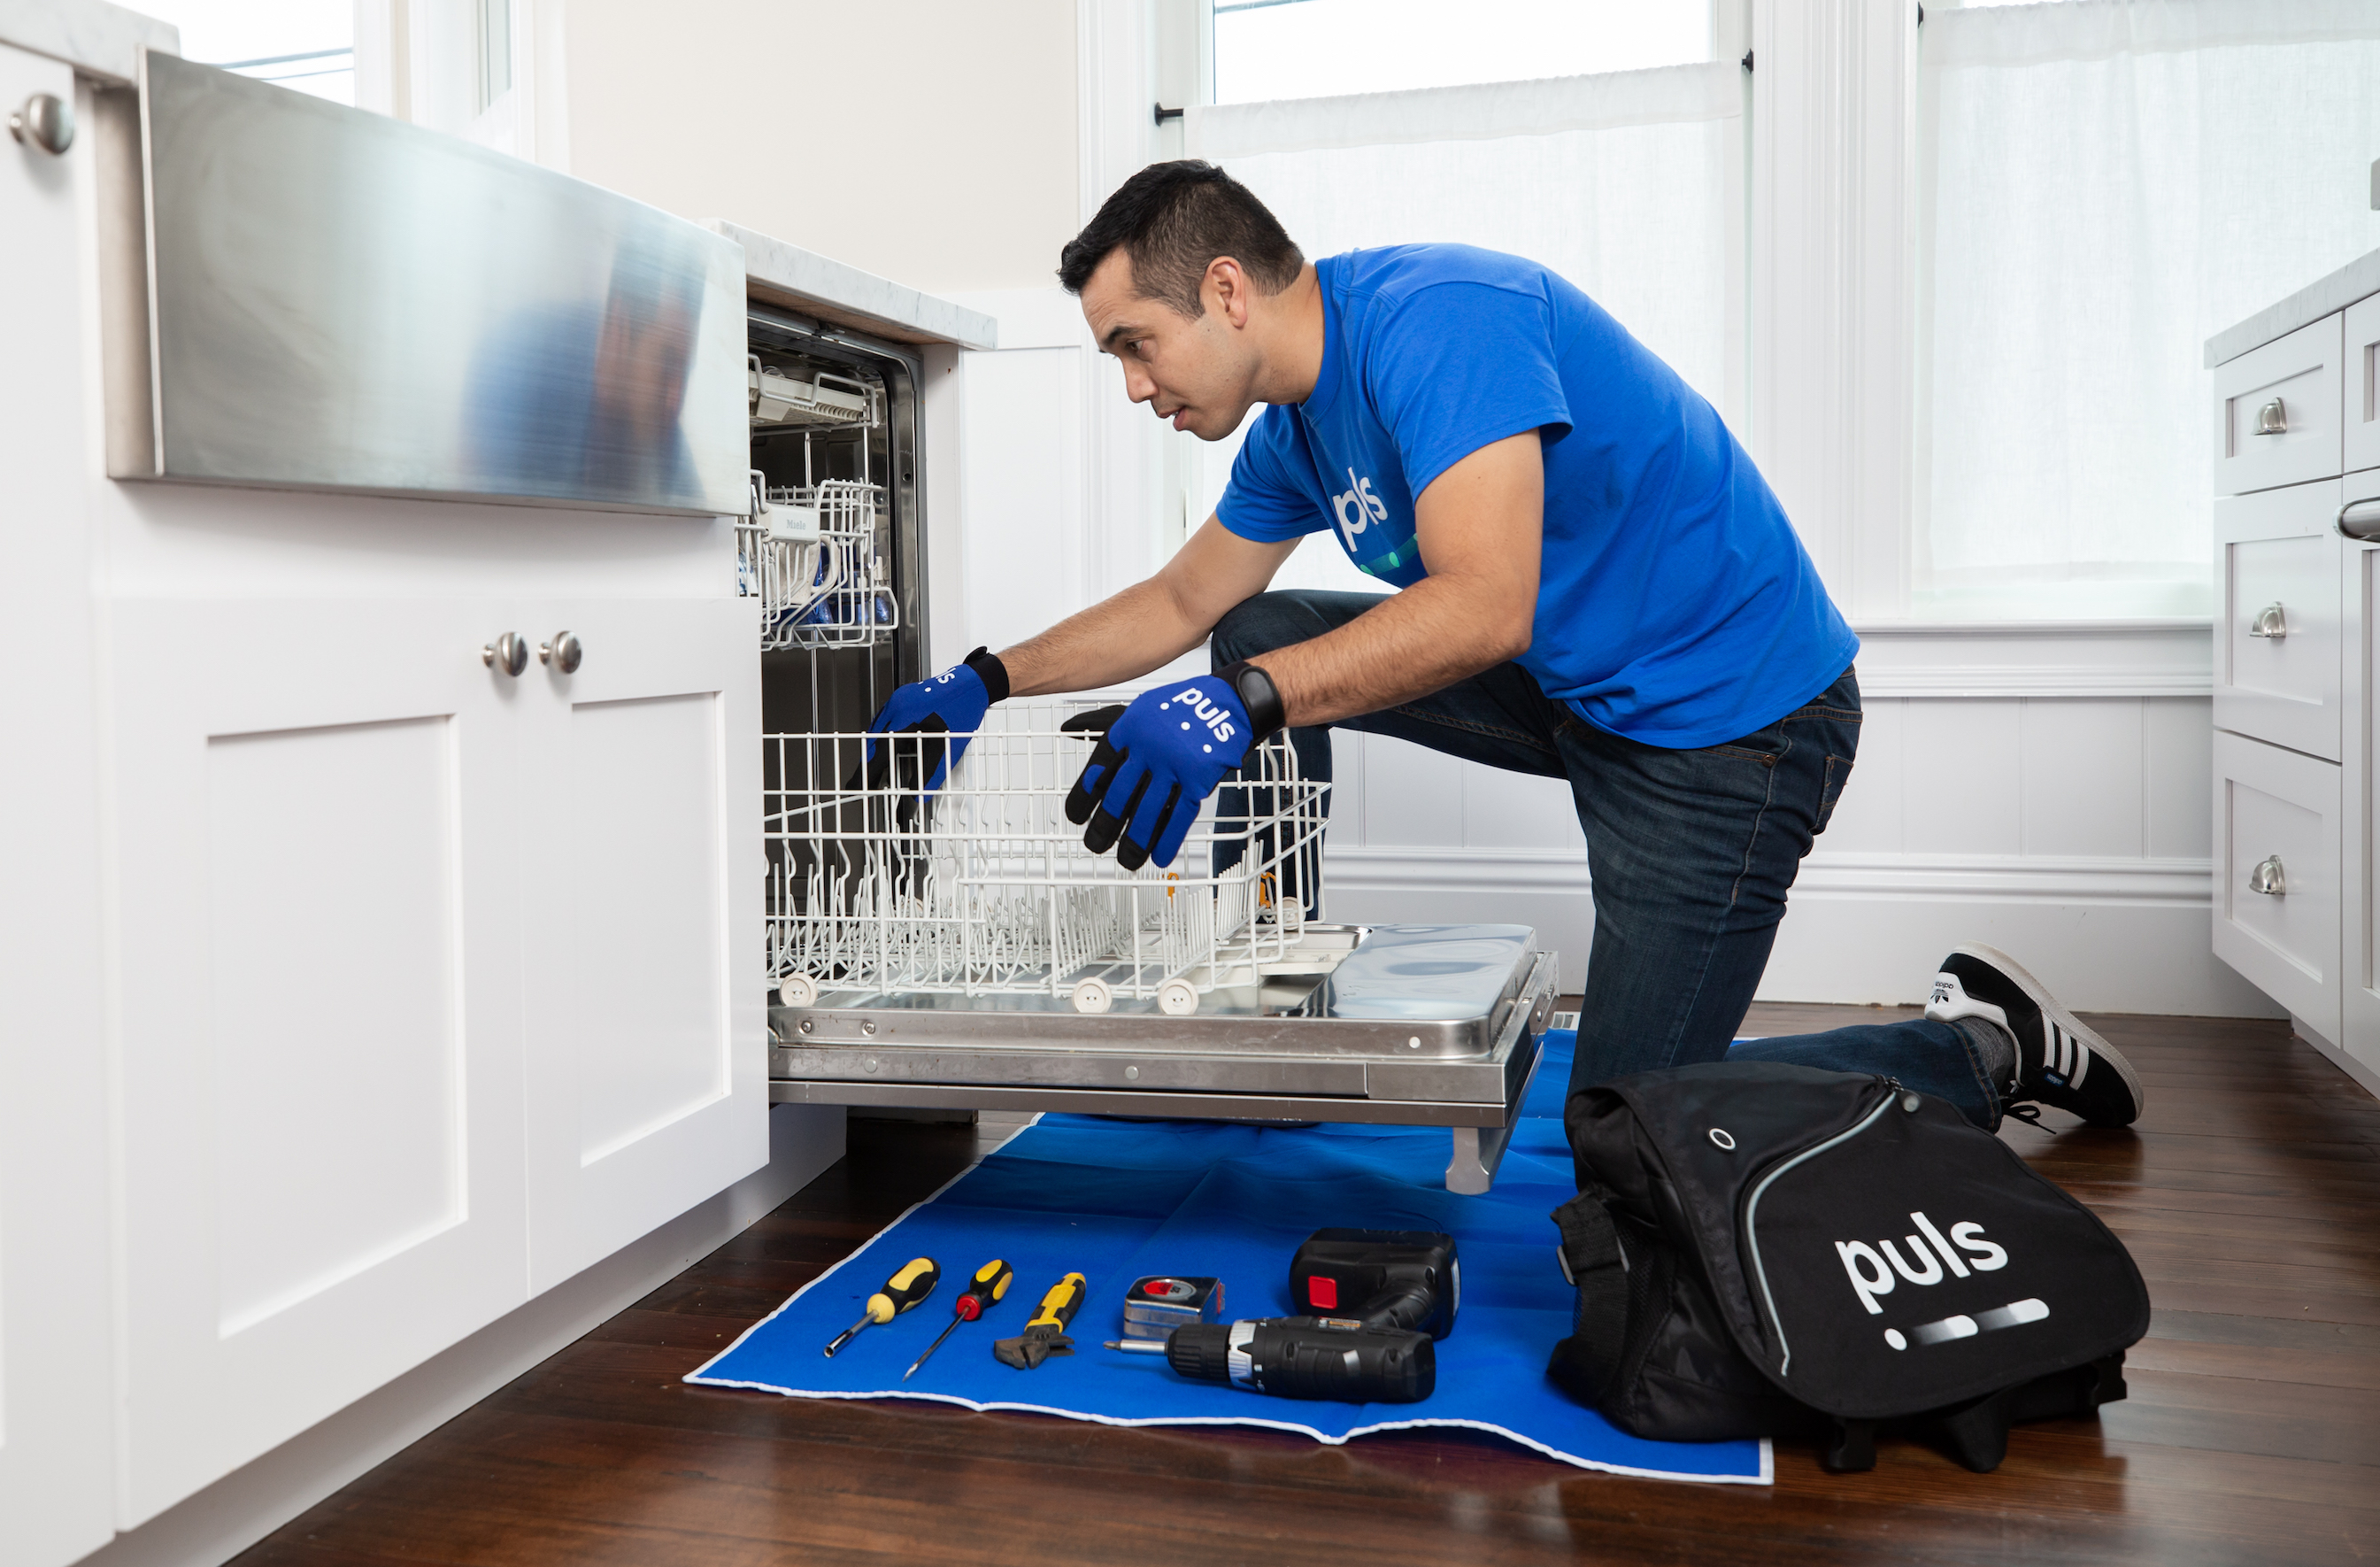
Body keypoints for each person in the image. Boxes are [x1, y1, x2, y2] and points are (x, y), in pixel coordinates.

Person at [864, 160, 2140, 1133]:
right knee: (1259, 623)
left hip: (1731, 730)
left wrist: (1243, 707)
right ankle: (1271, 976)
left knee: (1627, 1129)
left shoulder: (1440, 321)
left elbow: (1484, 608)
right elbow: (1182, 600)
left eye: (1134, 345)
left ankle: (1982, 1047)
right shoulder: (1294, 431)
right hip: (1581, 692)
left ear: (1225, 290)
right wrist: (988, 680)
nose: (1135, 386)